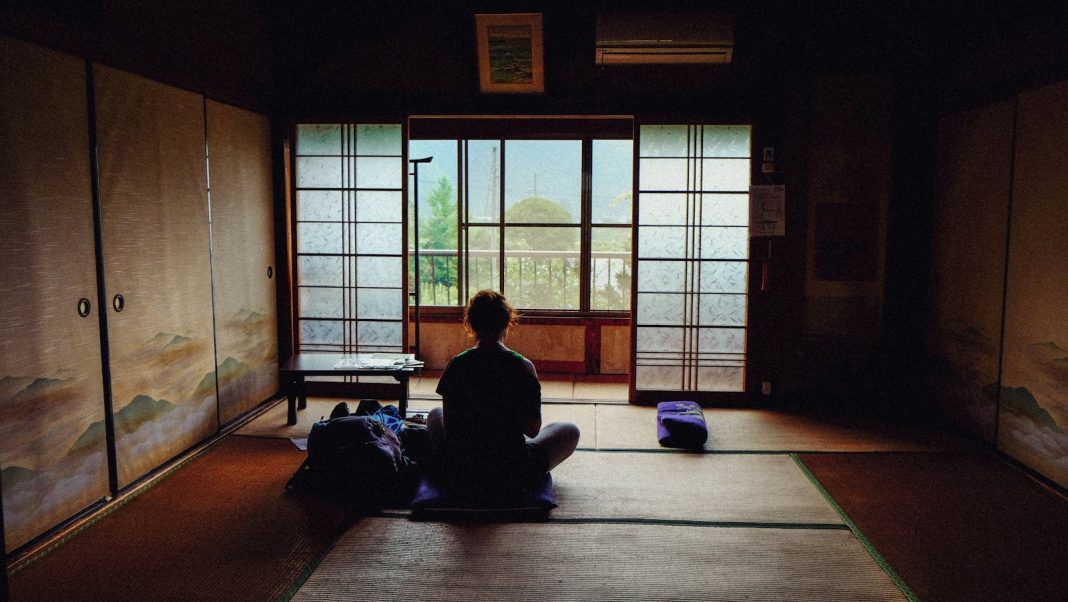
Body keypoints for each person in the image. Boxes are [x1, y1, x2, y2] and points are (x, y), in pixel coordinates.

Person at [427, 290, 579, 497]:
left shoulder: (458, 364)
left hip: (464, 470)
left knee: (434, 413)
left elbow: (452, 432)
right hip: (511, 470)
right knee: (569, 430)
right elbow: (533, 430)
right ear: (507, 322)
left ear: (471, 324)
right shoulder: (523, 366)